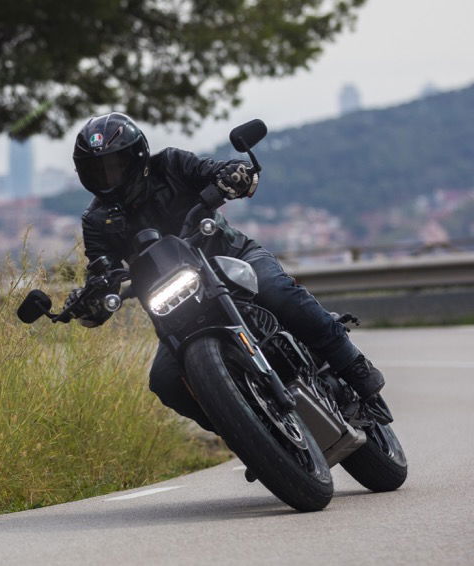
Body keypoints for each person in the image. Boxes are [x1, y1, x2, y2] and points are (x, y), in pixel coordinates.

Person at [66, 112, 384, 434]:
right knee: (165, 381)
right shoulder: (96, 220)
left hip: (230, 256)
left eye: (115, 165)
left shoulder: (171, 164)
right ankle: (246, 433)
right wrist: (92, 296)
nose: (108, 176)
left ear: (136, 156)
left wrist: (233, 174)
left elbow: (211, 170)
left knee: (275, 290)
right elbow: (100, 267)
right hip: (176, 302)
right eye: (98, 170)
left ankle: (354, 366)